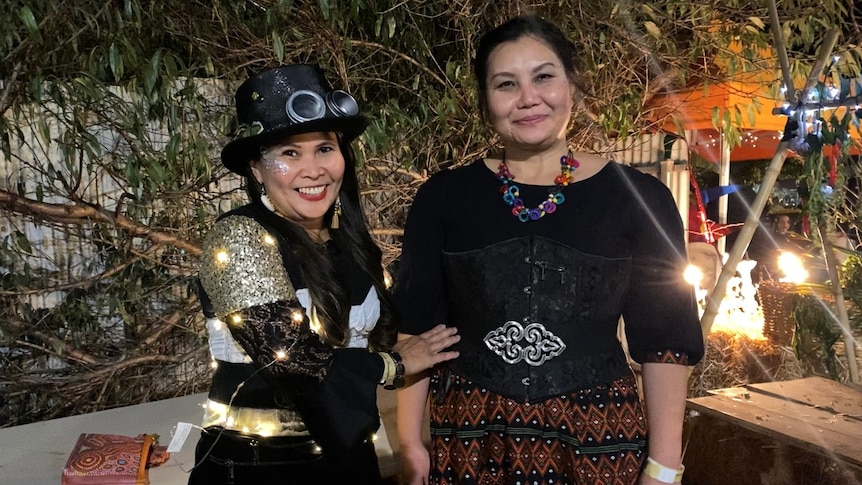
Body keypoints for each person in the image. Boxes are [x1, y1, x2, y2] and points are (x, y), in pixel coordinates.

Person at [393, 15, 704, 485]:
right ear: (485, 102)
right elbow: (418, 331)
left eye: (544, 76)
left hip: (599, 435)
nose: (528, 98)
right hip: (470, 435)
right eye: (505, 84)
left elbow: (665, 341)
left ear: (572, 85)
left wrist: (663, 468)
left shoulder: (639, 198)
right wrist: (410, 444)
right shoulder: (444, 197)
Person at [189, 64, 460, 485]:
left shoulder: (350, 243)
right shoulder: (240, 237)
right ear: (256, 169)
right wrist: (395, 366)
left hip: (349, 459)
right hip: (260, 466)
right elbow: (295, 361)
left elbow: (379, 332)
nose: (313, 169)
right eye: (289, 153)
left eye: (324, 148)